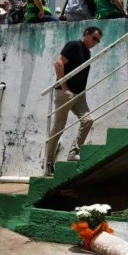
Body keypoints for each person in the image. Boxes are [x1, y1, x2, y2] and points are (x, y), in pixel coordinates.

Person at [45, 26, 103, 176]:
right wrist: (64, 87)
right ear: (86, 34)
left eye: (98, 41)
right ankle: (49, 162)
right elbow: (58, 63)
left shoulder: (87, 52)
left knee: (88, 119)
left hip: (79, 95)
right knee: (59, 127)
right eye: (94, 38)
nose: (95, 42)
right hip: (65, 93)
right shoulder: (74, 45)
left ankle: (74, 152)